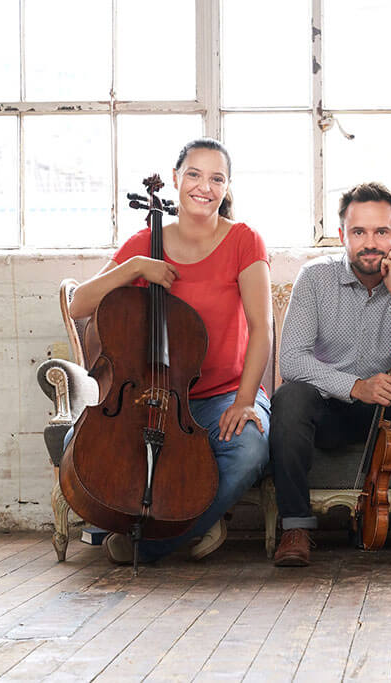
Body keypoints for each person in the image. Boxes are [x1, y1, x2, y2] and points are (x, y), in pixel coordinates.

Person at [66, 137, 272, 564]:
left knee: (249, 448)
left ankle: (152, 542)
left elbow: (261, 329)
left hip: (221, 395)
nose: (204, 187)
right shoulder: (146, 242)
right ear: (176, 179)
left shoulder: (244, 240)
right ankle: (192, 523)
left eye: (217, 178)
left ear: (227, 186)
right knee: (78, 440)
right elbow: (78, 304)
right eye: (194, 174)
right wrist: (136, 267)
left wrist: (245, 401)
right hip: (146, 394)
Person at [269, 181, 391, 568]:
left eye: (381, 232)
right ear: (342, 236)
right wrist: (356, 386)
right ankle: (295, 528)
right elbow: (291, 359)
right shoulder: (314, 278)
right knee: (289, 398)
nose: (370, 243)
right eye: (359, 232)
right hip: (331, 410)